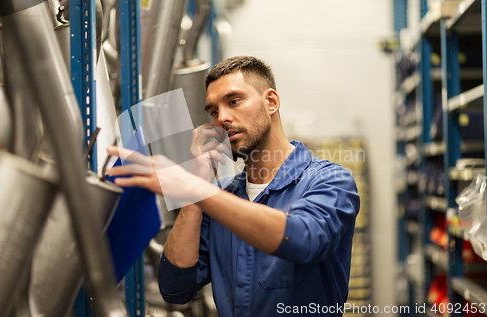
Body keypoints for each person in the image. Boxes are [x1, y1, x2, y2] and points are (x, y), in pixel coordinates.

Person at [107, 56, 360, 316]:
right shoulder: (219, 196)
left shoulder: (330, 181)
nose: (222, 118)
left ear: (271, 102)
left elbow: (303, 239)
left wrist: (197, 190)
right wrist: (196, 192)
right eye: (214, 111)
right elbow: (175, 288)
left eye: (234, 101)